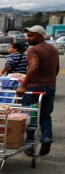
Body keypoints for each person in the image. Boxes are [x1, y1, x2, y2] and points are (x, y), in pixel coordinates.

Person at [17, 25, 59, 156]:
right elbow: (56, 69)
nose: (28, 38)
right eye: (28, 35)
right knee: (45, 115)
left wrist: (24, 85)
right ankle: (46, 138)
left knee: (30, 116)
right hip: (50, 87)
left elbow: (34, 67)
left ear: (40, 36)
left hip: (34, 89)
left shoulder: (33, 50)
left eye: (31, 35)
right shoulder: (53, 49)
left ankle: (29, 145)